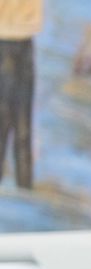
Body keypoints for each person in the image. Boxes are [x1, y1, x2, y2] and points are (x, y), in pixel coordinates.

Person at [0, 0, 40, 190]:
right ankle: (24, 191)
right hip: (5, 41)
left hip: (25, 40)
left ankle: (25, 190)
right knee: (6, 121)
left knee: (22, 126)